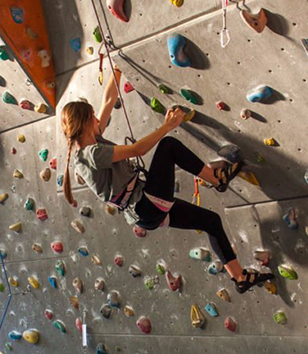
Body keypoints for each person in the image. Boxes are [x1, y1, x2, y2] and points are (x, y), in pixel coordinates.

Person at [60, 67, 273, 294]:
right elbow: (137, 149)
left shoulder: (91, 141)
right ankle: (216, 179)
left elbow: (109, 100)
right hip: (145, 204)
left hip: (145, 213)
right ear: (84, 123)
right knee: (168, 145)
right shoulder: (92, 153)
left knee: (211, 221)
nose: (97, 118)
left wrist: (117, 70)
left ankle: (240, 277)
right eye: (92, 115)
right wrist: (167, 126)